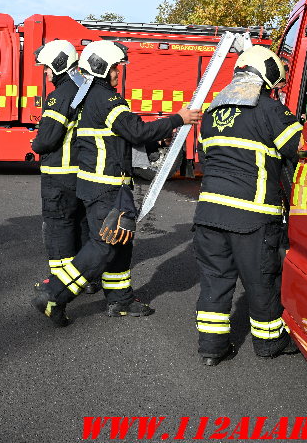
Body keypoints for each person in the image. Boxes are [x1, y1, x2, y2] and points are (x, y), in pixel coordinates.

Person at [32, 40, 201, 326]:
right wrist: (178, 119)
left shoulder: (86, 97)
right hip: (106, 187)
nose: (117, 74)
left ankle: (120, 299)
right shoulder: (106, 98)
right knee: (104, 245)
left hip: (97, 184)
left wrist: (155, 138)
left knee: (121, 242)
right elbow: (135, 131)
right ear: (101, 67)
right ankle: (54, 293)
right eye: (115, 69)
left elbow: (118, 137)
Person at [193, 45, 302, 366]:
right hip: (252, 216)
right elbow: (301, 148)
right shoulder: (270, 110)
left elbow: (206, 158)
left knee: (215, 279)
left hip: (209, 213)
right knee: (261, 279)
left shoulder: (214, 111)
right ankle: (269, 343)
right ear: (268, 78)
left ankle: (211, 348)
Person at [30, 40, 99, 297]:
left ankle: (60, 284)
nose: (46, 73)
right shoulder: (86, 88)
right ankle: (85, 279)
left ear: (58, 65)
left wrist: (36, 142)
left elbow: (47, 140)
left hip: (58, 175)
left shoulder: (60, 94)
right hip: (83, 174)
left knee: (58, 228)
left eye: (46, 68)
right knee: (82, 226)